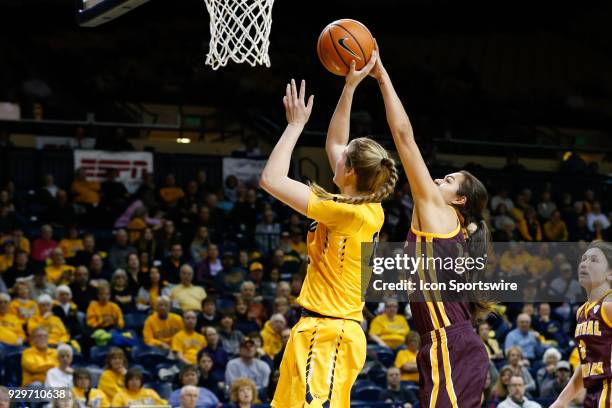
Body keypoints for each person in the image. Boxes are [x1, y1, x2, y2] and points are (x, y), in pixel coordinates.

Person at [261, 70, 396, 406]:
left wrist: (294, 126)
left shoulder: (345, 211)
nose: (334, 154)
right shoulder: (365, 203)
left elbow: (271, 179)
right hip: (317, 330)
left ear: (349, 171)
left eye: (342, 157)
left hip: (330, 334)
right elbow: (336, 142)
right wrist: (349, 87)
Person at [372, 44, 491, 407]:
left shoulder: (441, 216)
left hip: (449, 343)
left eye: (450, 179)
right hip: (440, 343)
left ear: (460, 201)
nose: (440, 178)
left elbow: (404, 138)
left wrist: (381, 76)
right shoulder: (443, 223)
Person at [551, 242, 612, 408]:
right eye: (584, 259)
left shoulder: (609, 306)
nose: (585, 263)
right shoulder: (582, 312)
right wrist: (561, 400)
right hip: (594, 396)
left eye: (594, 260)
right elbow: (587, 362)